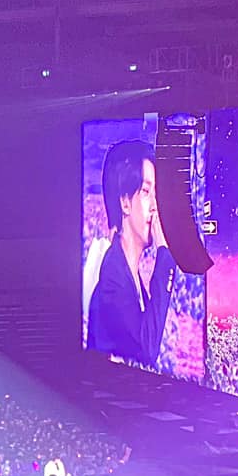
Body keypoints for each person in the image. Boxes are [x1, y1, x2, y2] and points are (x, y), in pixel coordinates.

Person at [86, 137, 177, 368]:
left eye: (157, 193)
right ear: (125, 203)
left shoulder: (129, 272)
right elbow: (147, 348)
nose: (155, 206)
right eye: (146, 191)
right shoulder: (112, 277)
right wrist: (164, 254)